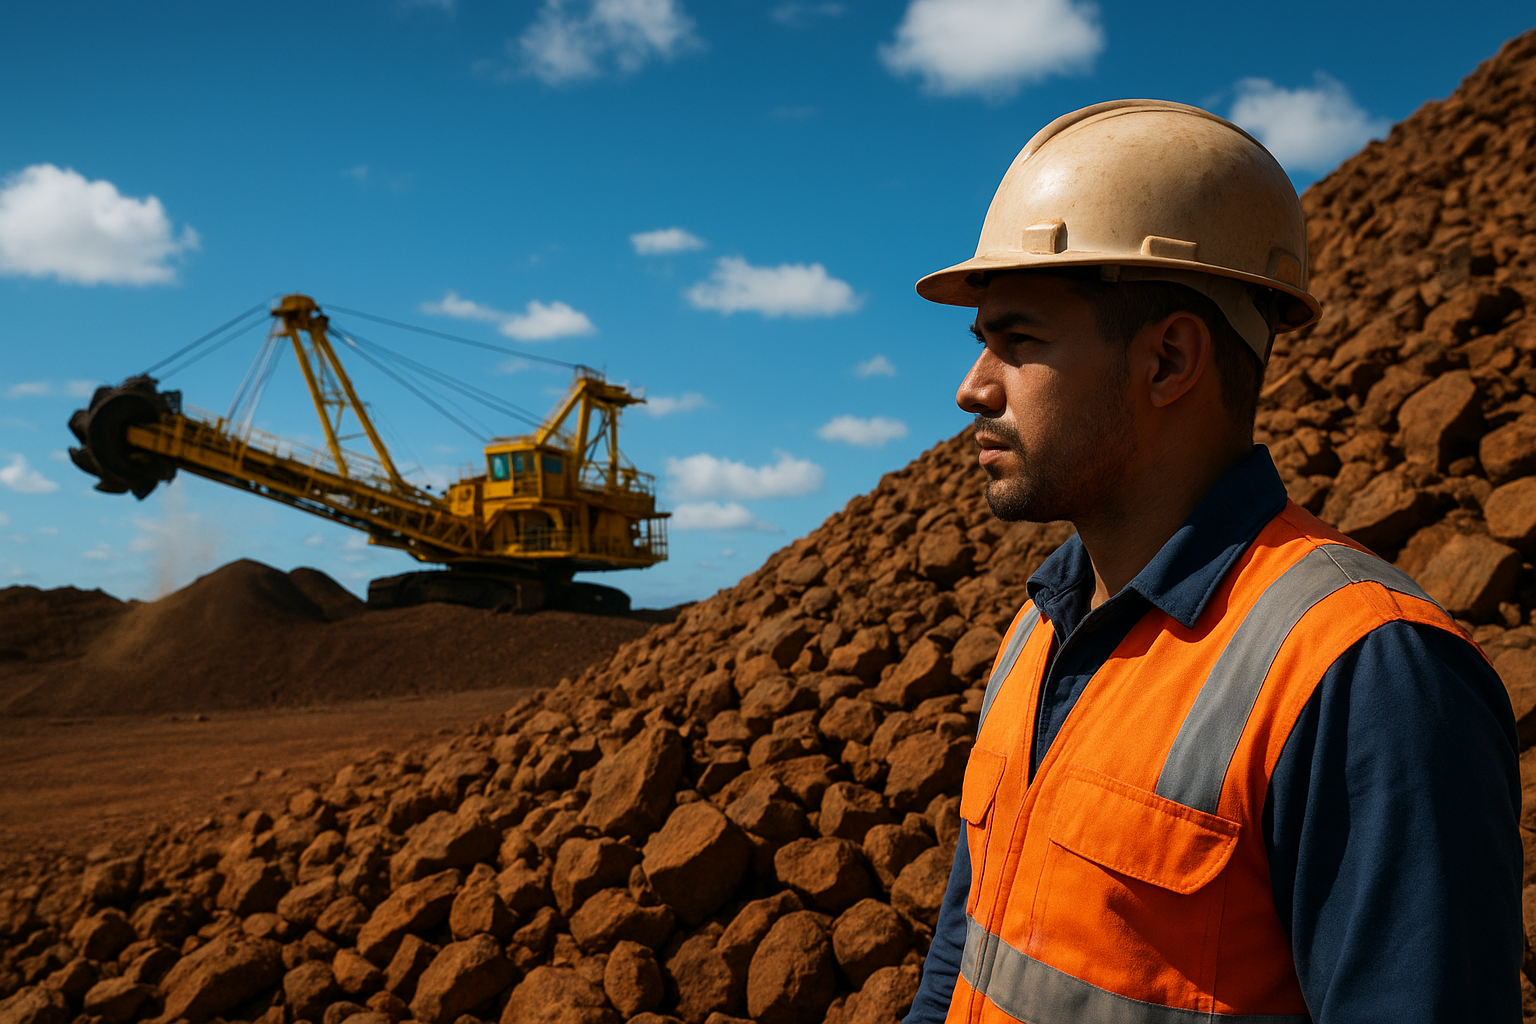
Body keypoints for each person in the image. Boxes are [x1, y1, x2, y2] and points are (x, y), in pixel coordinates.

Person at [903, 100, 1522, 1023]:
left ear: (1169, 360)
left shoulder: (1367, 679)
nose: (972, 388)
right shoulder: (1039, 629)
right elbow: (967, 951)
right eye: (982, 342)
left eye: (1018, 341)